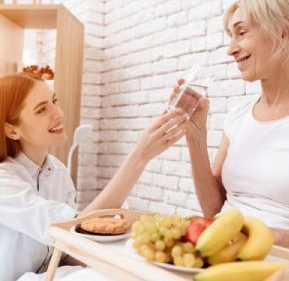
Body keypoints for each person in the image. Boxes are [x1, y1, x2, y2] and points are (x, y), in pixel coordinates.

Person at [0, 72, 188, 281]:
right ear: (12, 130)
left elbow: (68, 250)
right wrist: (140, 157)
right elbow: (75, 230)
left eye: (54, 101)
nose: (58, 113)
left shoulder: (58, 172)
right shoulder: (3, 180)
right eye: (42, 109)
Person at [172, 0, 289, 251]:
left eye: (241, 33)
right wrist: (196, 135)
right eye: (231, 36)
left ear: (284, 32)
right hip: (223, 252)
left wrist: (267, 237)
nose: (231, 49)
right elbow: (213, 207)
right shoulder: (239, 114)